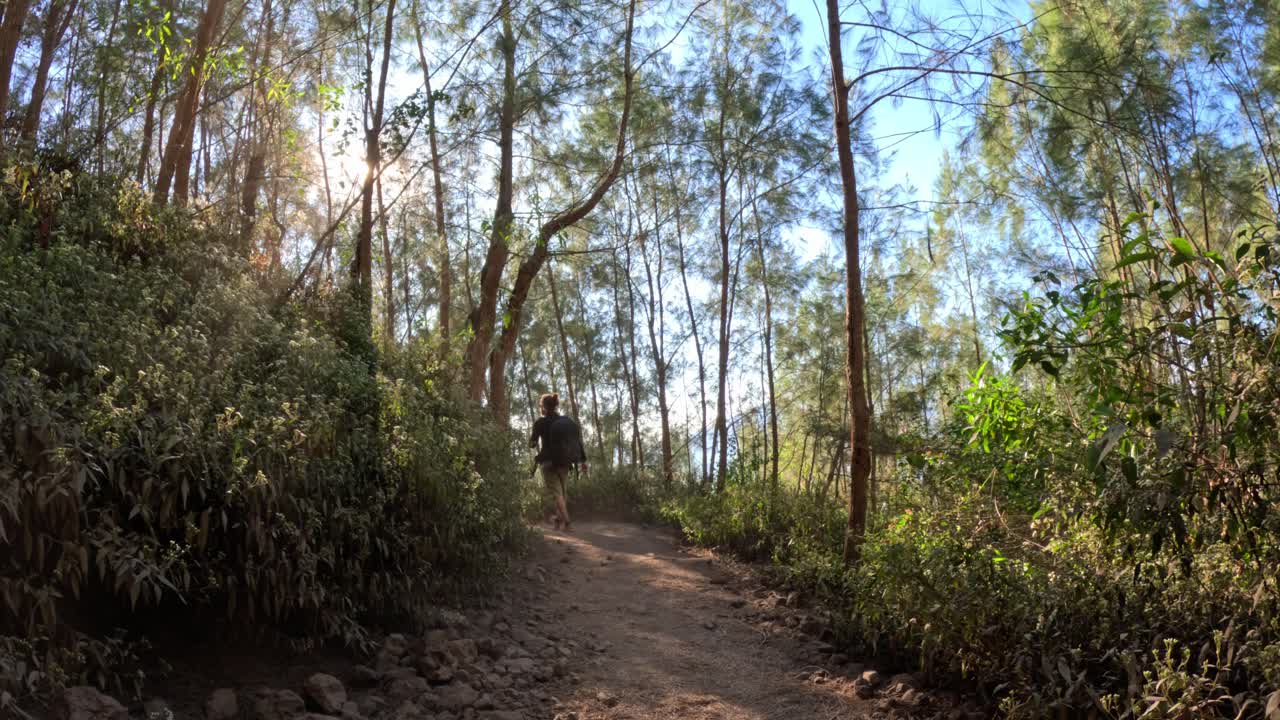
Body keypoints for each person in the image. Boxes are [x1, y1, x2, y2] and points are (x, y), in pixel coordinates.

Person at [529, 393, 587, 531]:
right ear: (556, 405)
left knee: (557, 493)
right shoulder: (565, 421)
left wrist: (533, 441)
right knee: (562, 493)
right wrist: (583, 461)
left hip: (548, 462)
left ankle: (567, 522)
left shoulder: (540, 422)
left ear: (543, 406)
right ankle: (557, 520)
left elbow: (532, 443)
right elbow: (576, 441)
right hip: (564, 462)